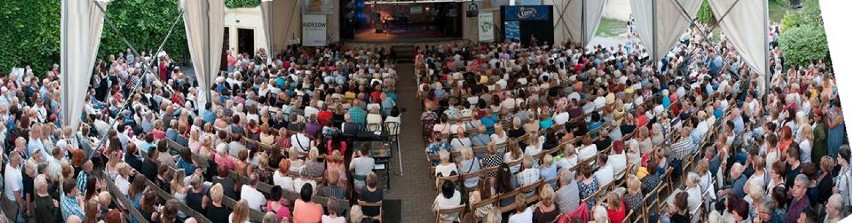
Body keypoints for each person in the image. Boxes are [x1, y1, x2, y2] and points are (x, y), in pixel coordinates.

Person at [3, 152, 24, 222]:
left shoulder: (8, 165)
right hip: (13, 199)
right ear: (15, 161)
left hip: (11, 194)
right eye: (19, 159)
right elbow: (16, 193)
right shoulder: (13, 176)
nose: (20, 159)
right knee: (17, 214)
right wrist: (21, 204)